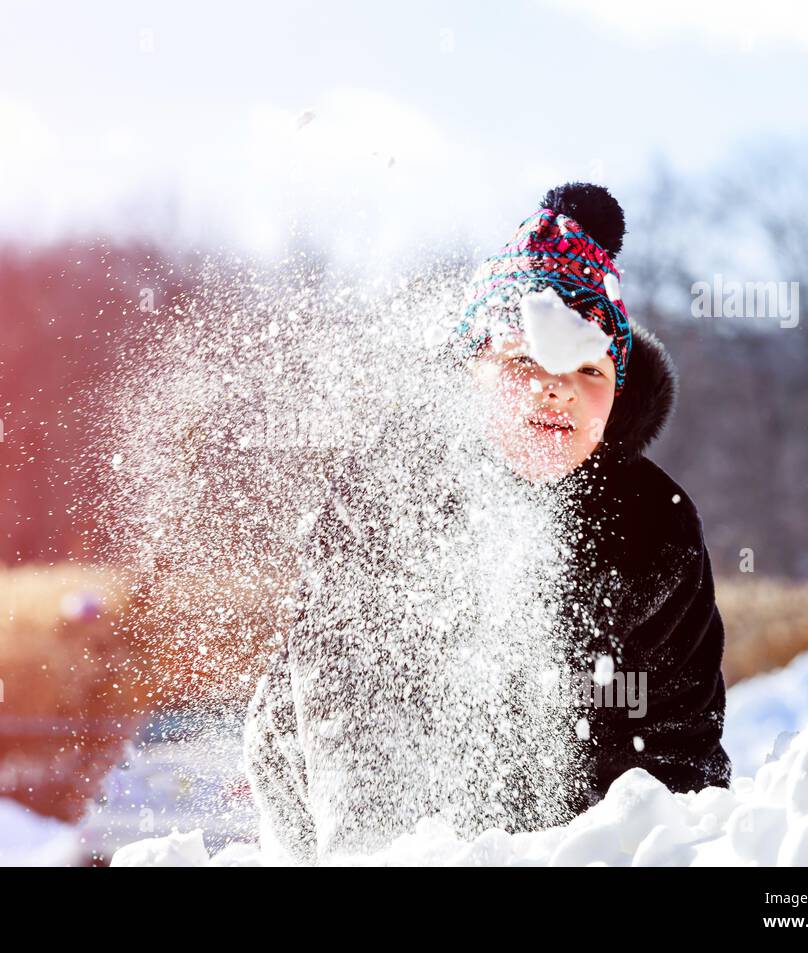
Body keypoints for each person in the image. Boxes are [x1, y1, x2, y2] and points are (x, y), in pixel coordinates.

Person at [244, 182, 732, 864]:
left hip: (566, 807)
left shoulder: (657, 527)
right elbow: (341, 696)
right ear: (469, 372)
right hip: (347, 790)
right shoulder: (389, 492)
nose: (556, 386)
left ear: (618, 392)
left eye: (588, 368)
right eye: (522, 360)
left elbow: (682, 736)